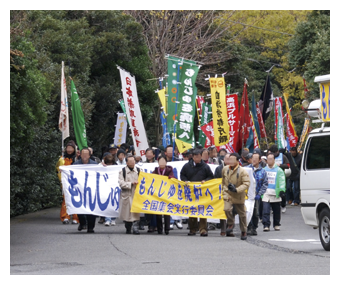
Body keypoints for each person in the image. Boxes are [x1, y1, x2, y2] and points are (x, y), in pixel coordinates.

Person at [180, 148, 214, 236]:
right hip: (191, 191)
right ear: (193, 157)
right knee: (192, 210)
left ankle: (203, 229)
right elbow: (182, 175)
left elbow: (211, 177)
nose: (198, 158)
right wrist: (185, 180)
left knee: (202, 210)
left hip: (202, 192)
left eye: (199, 157)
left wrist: (205, 180)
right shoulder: (187, 166)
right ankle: (192, 229)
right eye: (196, 157)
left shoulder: (205, 166)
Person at [222, 153, 250, 240]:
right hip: (228, 193)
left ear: (237, 161)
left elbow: (246, 183)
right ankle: (230, 223)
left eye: (233, 159)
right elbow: (223, 181)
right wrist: (224, 190)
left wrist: (237, 189)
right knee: (226, 209)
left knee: (242, 214)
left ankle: (244, 230)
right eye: (230, 159)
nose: (231, 161)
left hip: (238, 194)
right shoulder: (225, 169)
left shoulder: (242, 171)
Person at [73, 148, 98, 233]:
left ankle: (91, 227)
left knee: (91, 208)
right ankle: (82, 223)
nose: (84, 156)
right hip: (79, 189)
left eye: (86, 154)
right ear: (80, 154)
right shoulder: (76, 164)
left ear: (89, 155)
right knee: (79, 207)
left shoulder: (95, 165)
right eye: (83, 154)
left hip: (91, 190)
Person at [56, 140, 80, 225]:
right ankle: (65, 216)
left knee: (76, 199)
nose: (69, 150)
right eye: (68, 148)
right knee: (66, 200)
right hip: (66, 182)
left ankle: (76, 218)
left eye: (71, 148)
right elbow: (58, 170)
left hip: (75, 182)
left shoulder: (77, 159)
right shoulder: (62, 159)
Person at [262, 153, 286, 231]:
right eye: (268, 159)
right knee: (266, 210)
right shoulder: (264, 170)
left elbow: (282, 180)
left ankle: (276, 224)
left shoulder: (279, 170)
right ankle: (266, 225)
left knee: (276, 210)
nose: (270, 161)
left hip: (275, 192)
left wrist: (282, 190)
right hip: (266, 192)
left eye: (271, 159)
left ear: (274, 160)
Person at [152, 154, 175, 235]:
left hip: (167, 193)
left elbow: (174, 178)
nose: (162, 162)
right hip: (157, 194)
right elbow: (151, 179)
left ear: (166, 162)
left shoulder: (169, 170)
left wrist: (171, 178)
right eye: (160, 161)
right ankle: (159, 229)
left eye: (163, 161)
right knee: (158, 212)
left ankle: (167, 229)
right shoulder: (155, 171)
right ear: (158, 162)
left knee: (166, 212)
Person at [118, 154, 141, 234]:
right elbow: (121, 183)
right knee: (127, 214)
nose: (132, 163)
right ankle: (128, 227)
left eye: (133, 161)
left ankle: (135, 227)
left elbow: (143, 181)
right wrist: (131, 184)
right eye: (130, 161)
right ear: (127, 163)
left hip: (136, 194)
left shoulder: (138, 170)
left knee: (135, 213)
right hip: (127, 194)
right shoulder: (123, 171)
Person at [246, 152, 268, 235]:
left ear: (259, 160)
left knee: (256, 212)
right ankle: (248, 227)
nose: (254, 159)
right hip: (247, 195)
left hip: (257, 195)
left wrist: (260, 194)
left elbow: (265, 184)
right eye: (252, 158)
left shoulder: (263, 171)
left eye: (256, 158)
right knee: (247, 211)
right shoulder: (246, 169)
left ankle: (254, 227)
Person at [268, 144, 290, 213]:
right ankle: (272, 207)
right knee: (272, 192)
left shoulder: (283, 156)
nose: (274, 154)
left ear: (277, 151)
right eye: (272, 153)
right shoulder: (269, 157)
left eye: (275, 153)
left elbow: (288, 165)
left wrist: (280, 165)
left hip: (281, 177)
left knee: (282, 192)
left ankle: (283, 205)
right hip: (272, 177)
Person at [214, 153, 230, 236]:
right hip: (221, 192)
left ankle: (230, 227)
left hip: (231, 192)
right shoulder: (219, 168)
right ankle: (223, 229)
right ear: (224, 160)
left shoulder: (235, 168)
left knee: (230, 211)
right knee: (222, 210)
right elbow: (214, 180)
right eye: (227, 159)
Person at [100, 154, 117, 227]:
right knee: (107, 203)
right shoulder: (102, 166)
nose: (110, 165)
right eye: (108, 163)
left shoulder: (117, 167)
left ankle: (113, 219)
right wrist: (101, 164)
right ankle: (107, 219)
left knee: (114, 203)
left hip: (115, 187)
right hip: (105, 187)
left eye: (111, 163)